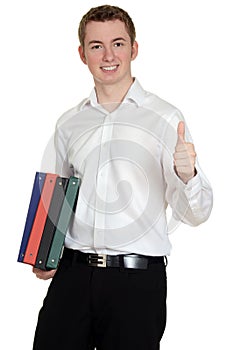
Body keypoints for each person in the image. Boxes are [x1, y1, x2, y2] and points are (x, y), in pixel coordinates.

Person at [32, 5, 213, 350]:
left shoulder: (164, 117)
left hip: (136, 281)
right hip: (73, 275)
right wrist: (42, 251)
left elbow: (196, 214)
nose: (109, 55)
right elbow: (53, 190)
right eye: (97, 46)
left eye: (118, 43)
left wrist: (186, 175)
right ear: (82, 54)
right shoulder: (69, 122)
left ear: (134, 49)